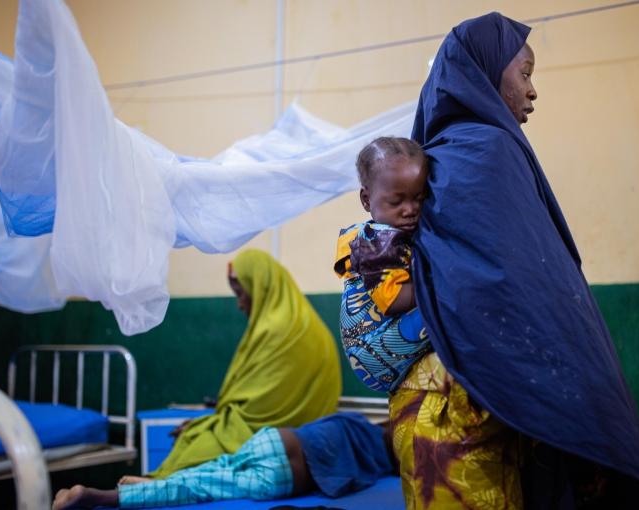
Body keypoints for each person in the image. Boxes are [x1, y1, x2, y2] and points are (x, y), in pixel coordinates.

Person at [391, 11, 639, 510]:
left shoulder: (437, 157)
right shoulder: (487, 150)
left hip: (438, 410)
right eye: (525, 72)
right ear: (484, 72)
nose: (533, 90)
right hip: (469, 410)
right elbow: (524, 292)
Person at [148, 249, 342, 478]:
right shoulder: (304, 323)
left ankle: (153, 486)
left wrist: (209, 425)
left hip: (281, 440)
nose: (240, 305)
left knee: (196, 445)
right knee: (196, 435)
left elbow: (258, 416)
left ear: (260, 286)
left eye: (241, 293)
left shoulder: (278, 329)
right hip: (311, 439)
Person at [51, 412, 395, 509]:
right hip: (283, 476)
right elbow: (353, 473)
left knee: (211, 469)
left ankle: (158, 481)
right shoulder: (382, 457)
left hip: (274, 439)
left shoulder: (355, 422)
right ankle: (100, 497)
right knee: (202, 489)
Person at [334, 137, 431, 393]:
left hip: (383, 349)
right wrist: (440, 277)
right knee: (446, 304)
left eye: (419, 199)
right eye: (396, 202)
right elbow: (394, 300)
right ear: (366, 200)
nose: (410, 209)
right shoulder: (376, 241)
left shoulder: (398, 235)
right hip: (371, 351)